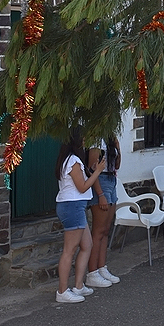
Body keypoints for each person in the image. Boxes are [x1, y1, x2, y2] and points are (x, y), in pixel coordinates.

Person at [54, 129, 106, 303]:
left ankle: (78, 286)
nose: (85, 143)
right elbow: (82, 187)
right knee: (69, 250)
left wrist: (91, 171)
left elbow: (81, 183)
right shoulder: (74, 161)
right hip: (72, 206)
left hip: (76, 205)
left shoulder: (70, 160)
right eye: (83, 139)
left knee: (87, 245)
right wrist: (98, 172)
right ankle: (62, 291)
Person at [85, 137, 122, 289]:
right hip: (101, 182)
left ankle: (102, 267)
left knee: (106, 230)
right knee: (98, 231)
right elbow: (91, 169)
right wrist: (100, 194)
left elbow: (117, 165)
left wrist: (118, 148)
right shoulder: (96, 142)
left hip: (112, 180)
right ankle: (92, 273)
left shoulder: (110, 140)